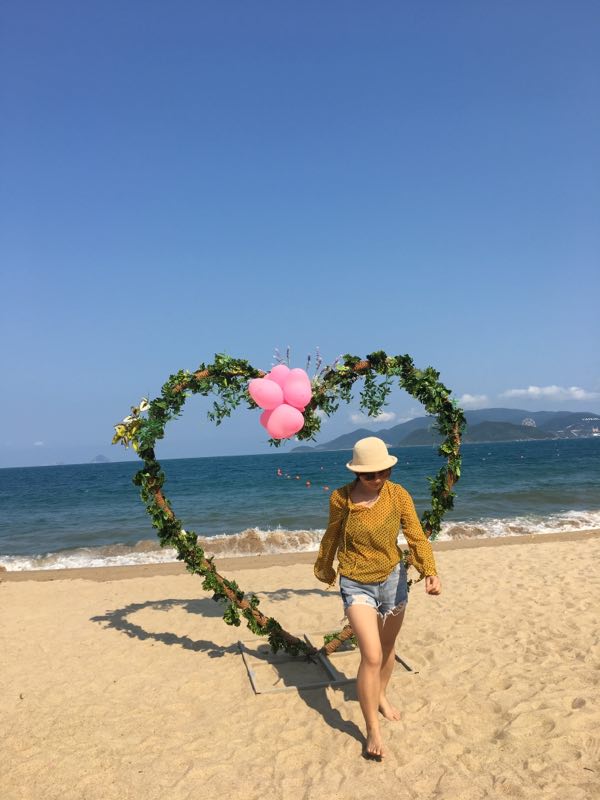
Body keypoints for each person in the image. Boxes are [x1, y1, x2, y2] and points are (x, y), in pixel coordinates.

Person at [314, 436, 441, 760]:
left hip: (393, 581)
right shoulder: (341, 498)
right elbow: (331, 535)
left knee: (387, 648)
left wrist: (430, 571)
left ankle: (381, 695)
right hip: (356, 582)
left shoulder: (398, 495)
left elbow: (415, 535)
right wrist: (325, 568)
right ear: (357, 473)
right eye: (370, 474)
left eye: (383, 472)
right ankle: (372, 728)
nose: (378, 479)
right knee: (371, 655)